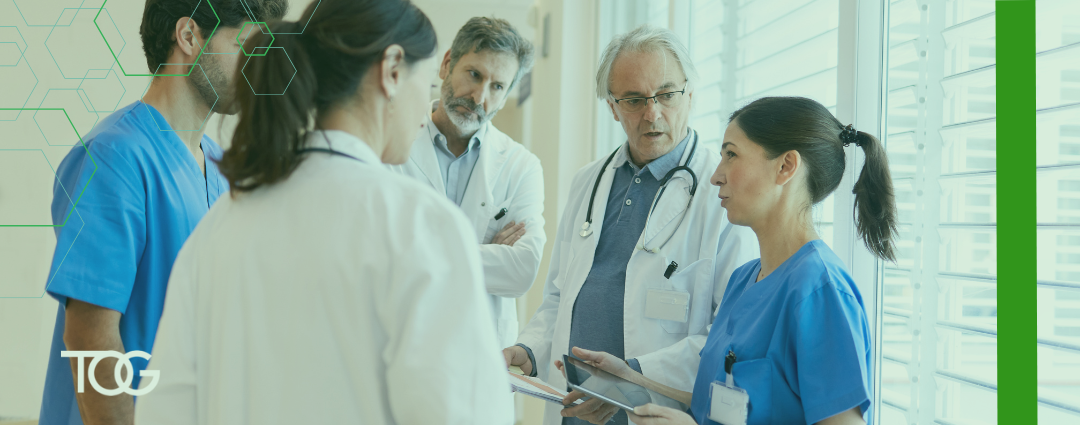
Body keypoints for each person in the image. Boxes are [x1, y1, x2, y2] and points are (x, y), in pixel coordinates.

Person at [132, 1, 514, 424]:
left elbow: (163, 410)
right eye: (424, 87)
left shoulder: (218, 229)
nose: (424, 117)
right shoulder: (420, 227)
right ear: (391, 69)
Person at [572, 96, 893, 425]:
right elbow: (725, 396)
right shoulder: (743, 280)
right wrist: (630, 378)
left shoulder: (820, 292)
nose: (715, 176)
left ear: (785, 167)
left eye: (731, 155)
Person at [38, 1, 286, 424]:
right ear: (189, 37)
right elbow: (90, 339)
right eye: (247, 44)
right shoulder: (115, 157)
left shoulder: (224, 170)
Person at [503, 25, 757, 425]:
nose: (652, 113)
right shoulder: (588, 181)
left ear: (689, 94)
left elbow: (729, 335)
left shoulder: (722, 193)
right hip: (575, 411)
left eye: (666, 95)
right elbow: (559, 296)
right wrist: (529, 349)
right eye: (635, 100)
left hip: (655, 411)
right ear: (612, 106)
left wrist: (630, 376)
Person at [391, 16, 543, 348]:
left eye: (497, 87)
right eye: (474, 75)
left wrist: (422, 249)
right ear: (446, 64)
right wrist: (488, 255)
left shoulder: (522, 166)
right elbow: (384, 250)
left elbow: (522, 271)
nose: (478, 97)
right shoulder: (391, 143)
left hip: (479, 346)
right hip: (402, 335)